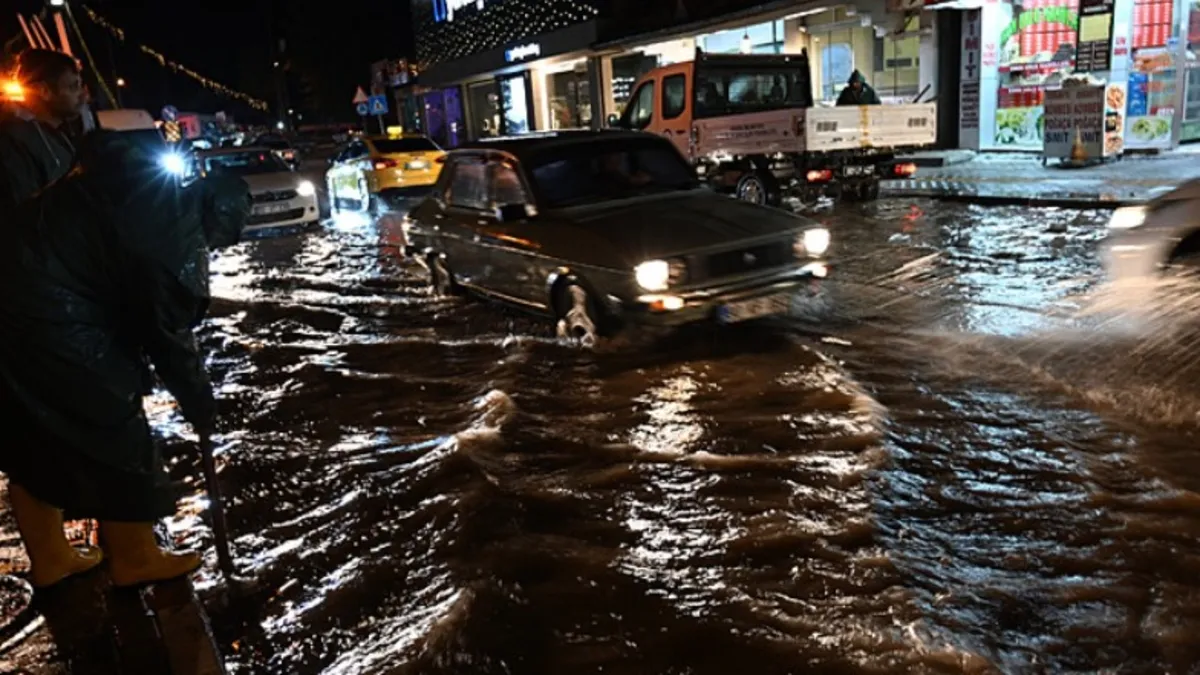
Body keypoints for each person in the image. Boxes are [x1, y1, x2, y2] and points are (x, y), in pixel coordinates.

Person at [0, 130, 249, 588]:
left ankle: (53, 559)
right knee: (115, 421)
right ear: (216, 217)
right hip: (48, 315)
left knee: (32, 431)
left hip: (19, 301)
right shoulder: (169, 235)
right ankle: (136, 558)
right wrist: (200, 404)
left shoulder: (146, 199)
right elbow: (168, 337)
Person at [0, 49, 86, 215]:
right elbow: (26, 215)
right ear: (43, 91)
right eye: (72, 87)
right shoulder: (13, 142)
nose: (82, 95)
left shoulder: (58, 133)